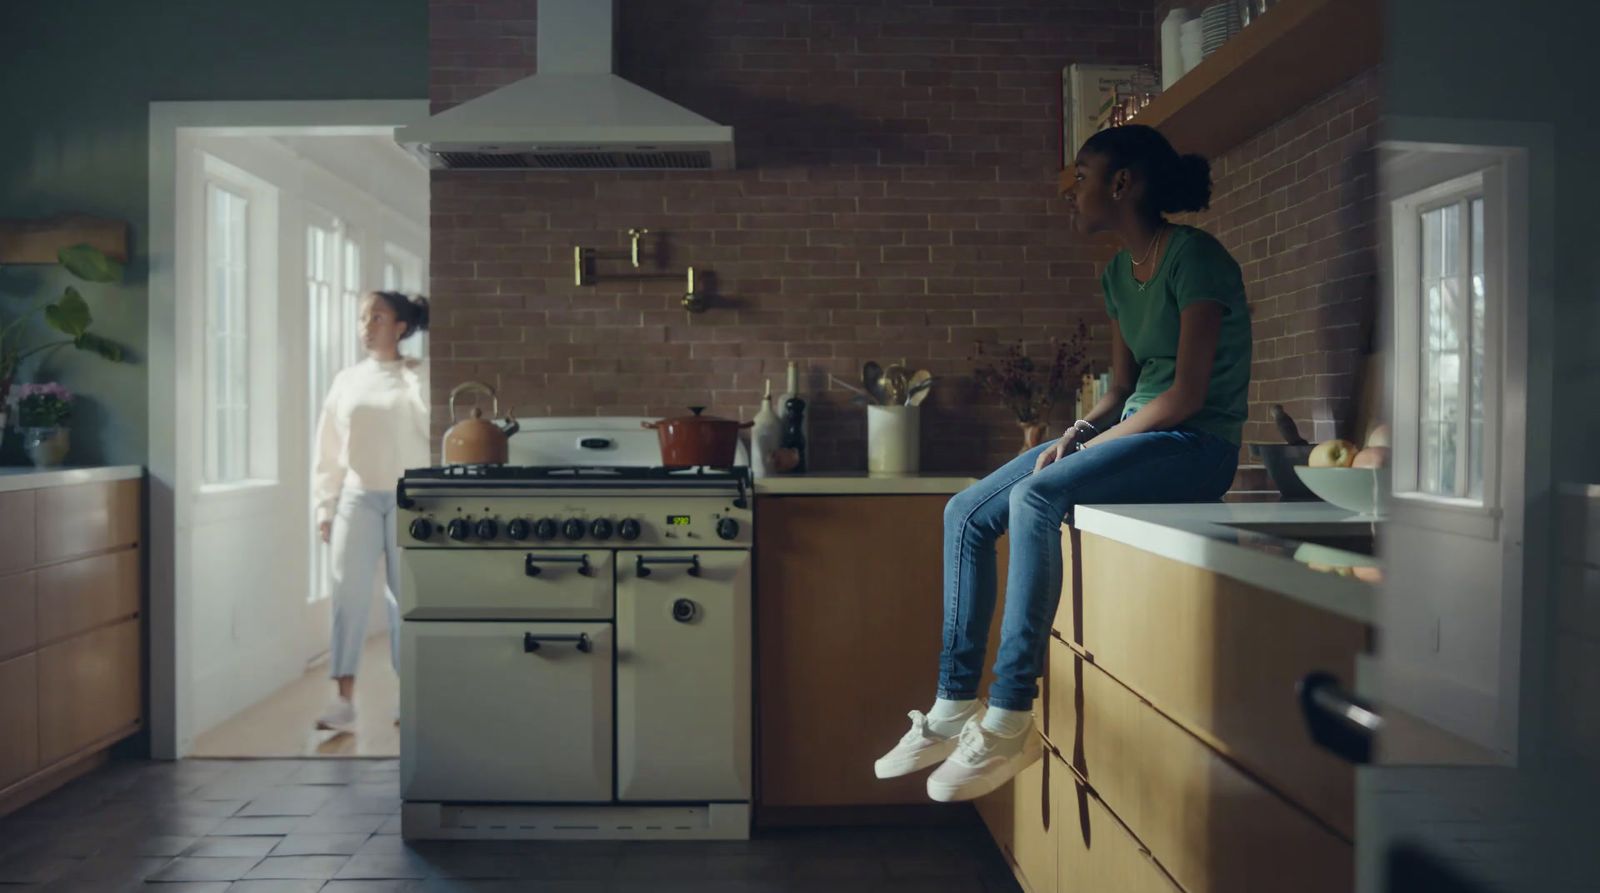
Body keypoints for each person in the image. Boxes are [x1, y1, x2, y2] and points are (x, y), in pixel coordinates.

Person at [873, 125, 1252, 801]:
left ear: (1122, 183)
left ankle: (1010, 714)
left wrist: (1095, 447)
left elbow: (1186, 394)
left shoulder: (1197, 258)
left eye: (1082, 176)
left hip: (1198, 446)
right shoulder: (1115, 273)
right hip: (1137, 433)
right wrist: (1077, 430)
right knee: (964, 512)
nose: (1070, 193)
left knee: (1035, 498)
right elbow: (1119, 389)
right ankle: (954, 703)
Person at [311, 291, 431, 733]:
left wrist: (416, 379)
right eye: (363, 317)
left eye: (377, 317)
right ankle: (342, 701)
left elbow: (428, 426)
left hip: (408, 497)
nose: (366, 325)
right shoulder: (346, 379)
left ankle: (412, 697)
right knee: (347, 597)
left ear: (401, 326)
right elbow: (327, 447)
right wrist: (325, 504)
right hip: (356, 499)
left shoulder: (419, 375)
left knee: (406, 602)